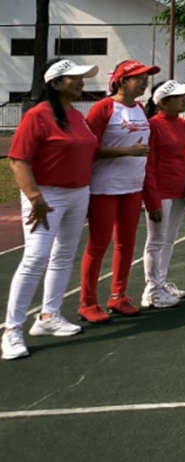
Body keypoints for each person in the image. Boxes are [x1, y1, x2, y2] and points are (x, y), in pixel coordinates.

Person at [3, 59, 99, 360]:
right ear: (56, 83)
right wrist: (34, 197)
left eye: (82, 77)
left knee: (63, 256)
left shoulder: (76, 116)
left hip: (77, 193)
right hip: (46, 197)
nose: (82, 82)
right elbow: (18, 160)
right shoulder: (37, 116)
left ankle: (48, 316)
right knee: (35, 258)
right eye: (75, 78)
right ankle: (12, 331)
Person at [80, 60, 159, 322]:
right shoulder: (104, 108)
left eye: (147, 77)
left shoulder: (138, 108)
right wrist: (126, 151)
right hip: (105, 187)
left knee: (126, 243)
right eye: (140, 77)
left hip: (132, 187)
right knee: (98, 245)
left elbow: (145, 154)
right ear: (123, 81)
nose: (145, 81)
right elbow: (88, 148)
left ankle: (118, 296)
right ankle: (88, 302)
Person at [141, 80, 185, 308]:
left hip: (178, 190)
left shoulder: (182, 125)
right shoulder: (152, 126)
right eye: (178, 96)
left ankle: (161, 283)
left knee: (169, 239)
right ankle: (151, 290)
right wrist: (152, 199)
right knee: (155, 240)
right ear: (162, 103)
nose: (184, 99)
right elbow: (148, 165)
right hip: (160, 191)